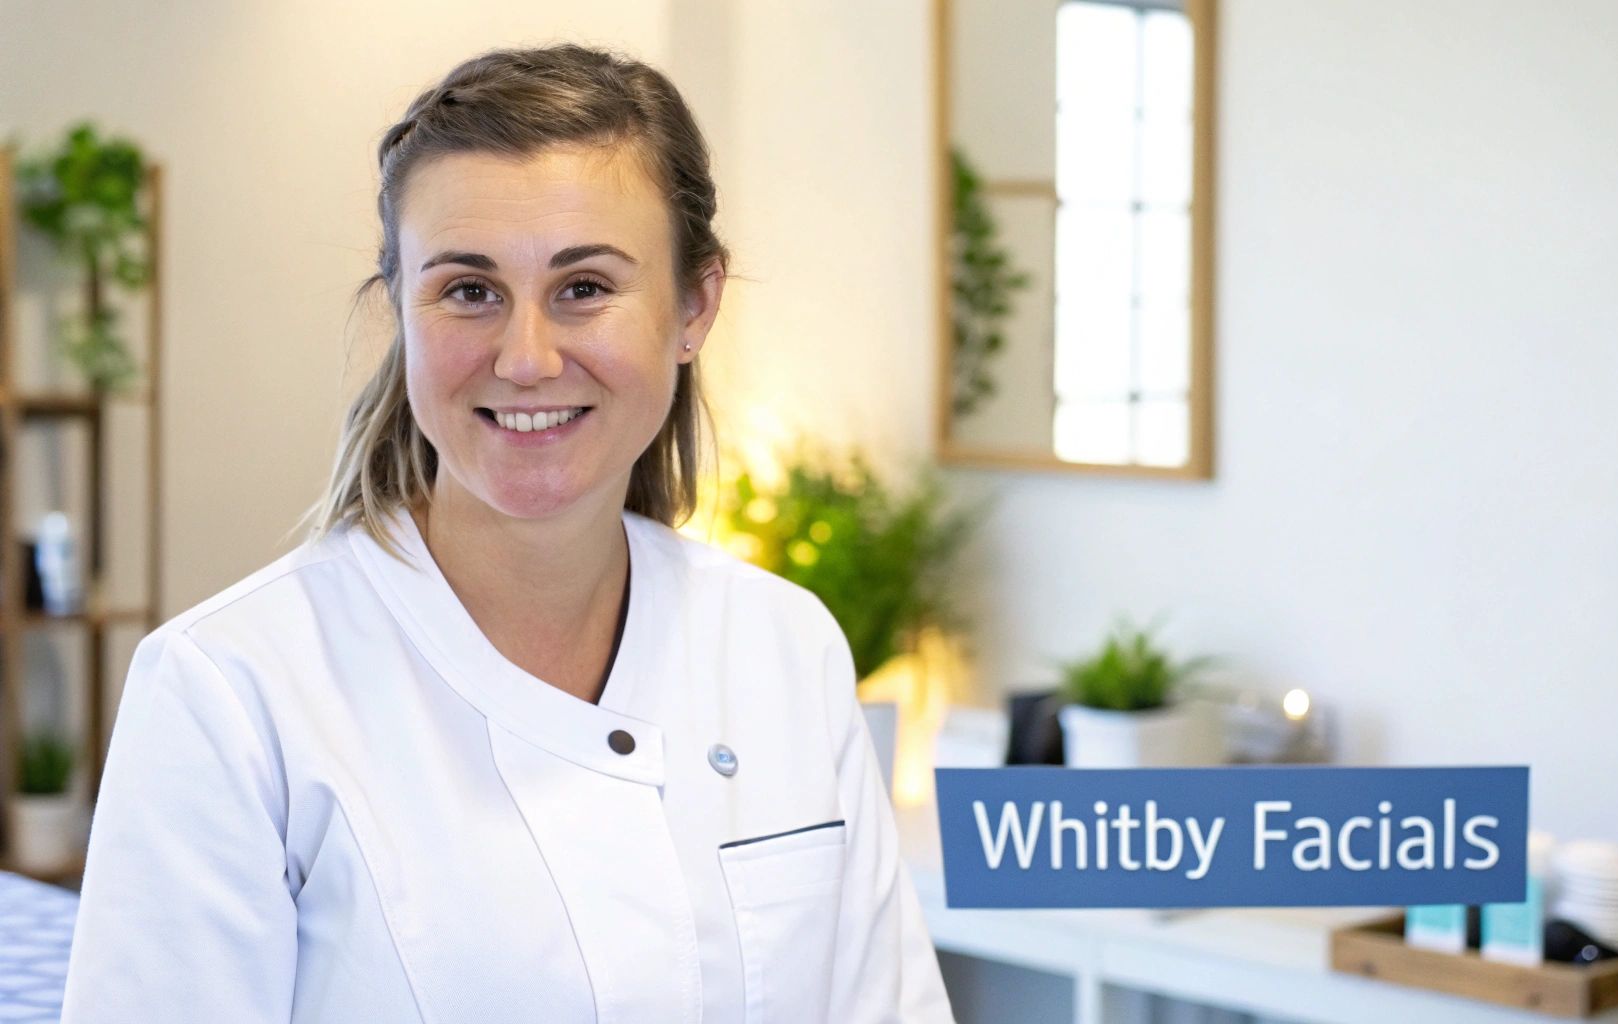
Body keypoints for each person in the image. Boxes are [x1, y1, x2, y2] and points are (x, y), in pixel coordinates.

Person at [60, 43, 955, 1023]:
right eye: (470, 291)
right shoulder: (230, 694)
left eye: (584, 288)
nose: (526, 359)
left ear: (694, 306)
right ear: (401, 310)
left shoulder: (783, 646)